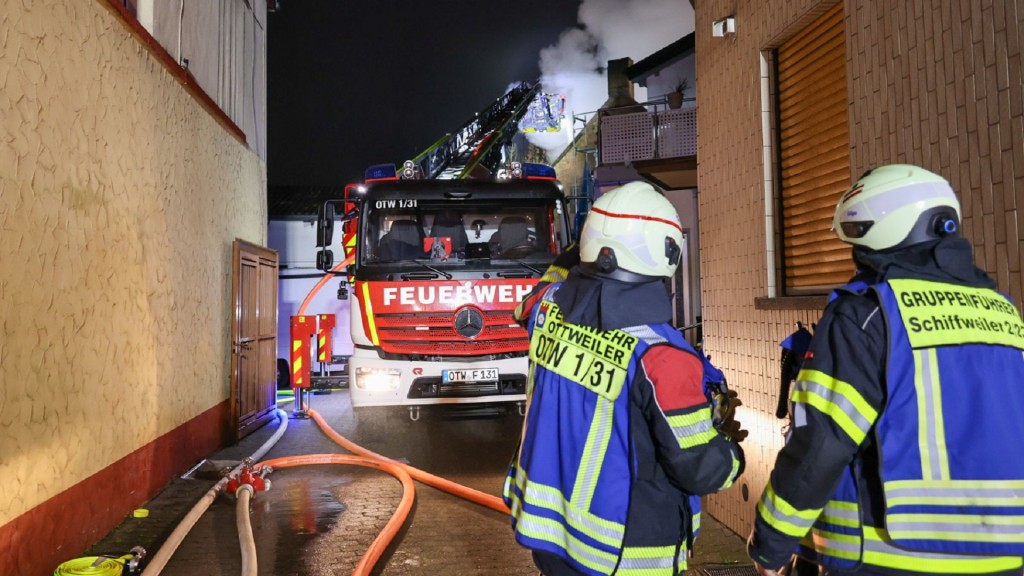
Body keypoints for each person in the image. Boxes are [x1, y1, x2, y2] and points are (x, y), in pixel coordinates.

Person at [748, 164, 1024, 576]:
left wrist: (770, 544)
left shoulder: (867, 315)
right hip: (1007, 558)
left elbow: (822, 444)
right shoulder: (1005, 314)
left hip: (889, 556)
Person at [504, 181, 747, 576]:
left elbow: (538, 292)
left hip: (550, 541)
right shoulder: (661, 356)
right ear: (667, 250)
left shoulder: (546, 310)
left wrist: (585, 252)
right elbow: (701, 470)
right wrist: (731, 453)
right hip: (624, 552)